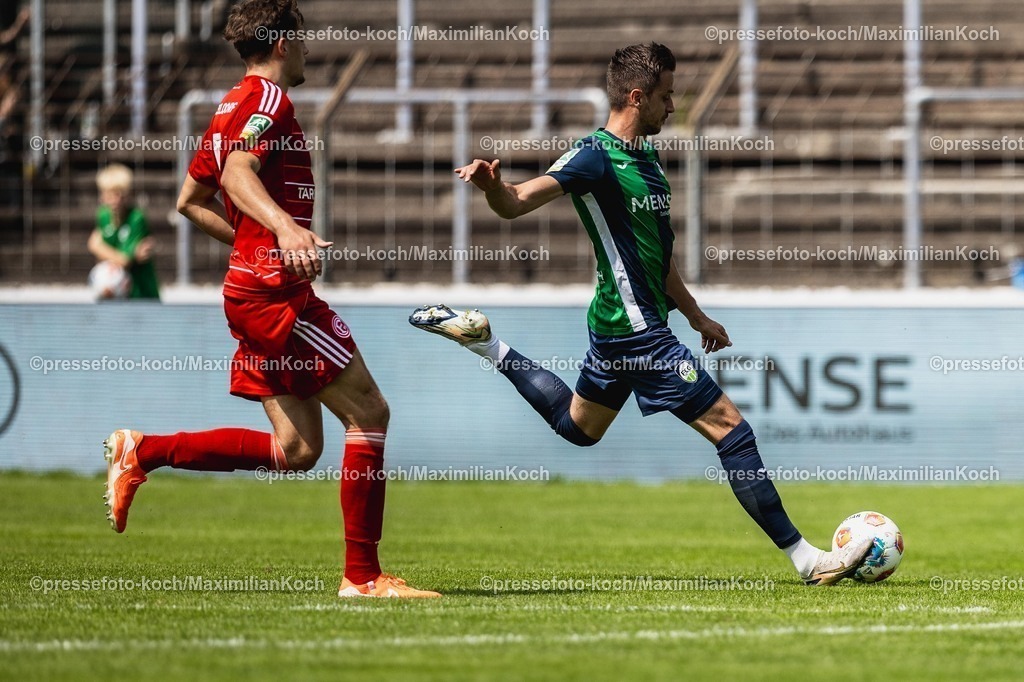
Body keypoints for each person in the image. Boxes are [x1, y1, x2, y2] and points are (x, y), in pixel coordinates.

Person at [410, 43, 871, 586]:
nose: (672, 106)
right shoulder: (593, 156)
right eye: (666, 95)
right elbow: (515, 201)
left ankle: (486, 342)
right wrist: (492, 188)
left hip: (620, 328)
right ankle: (807, 560)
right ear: (637, 96)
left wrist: (696, 315)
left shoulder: (648, 159)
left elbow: (659, 255)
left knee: (579, 429)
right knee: (731, 430)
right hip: (637, 333)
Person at [103, 0, 438, 598]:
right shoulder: (267, 101)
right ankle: (362, 579)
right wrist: (283, 230)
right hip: (273, 297)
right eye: (303, 39)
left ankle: (143, 451)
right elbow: (234, 176)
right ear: (282, 42)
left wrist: (260, 238)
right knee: (370, 413)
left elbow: (188, 201)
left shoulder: (229, 105)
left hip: (253, 287)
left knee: (299, 449)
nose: (309, 48)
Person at [87, 164, 160, 300]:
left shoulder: (137, 218)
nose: (115, 199)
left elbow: (124, 260)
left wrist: (97, 247)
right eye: (110, 194)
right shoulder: (102, 216)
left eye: (120, 193)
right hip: (115, 294)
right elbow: (107, 259)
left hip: (141, 293)